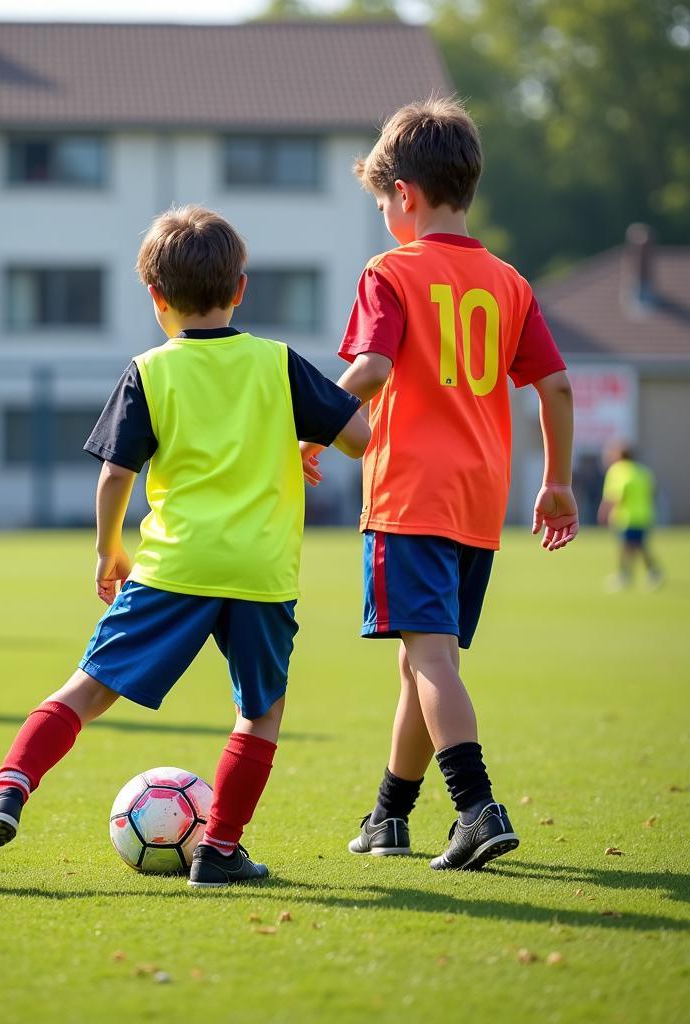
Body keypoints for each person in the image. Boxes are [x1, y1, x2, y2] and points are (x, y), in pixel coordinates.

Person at [0, 205, 370, 887]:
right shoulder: (278, 363)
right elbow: (362, 438)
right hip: (261, 571)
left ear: (156, 298)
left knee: (89, 689)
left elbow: (114, 475)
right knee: (260, 710)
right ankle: (218, 850)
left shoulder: (149, 370)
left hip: (174, 564)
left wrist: (107, 550)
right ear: (241, 288)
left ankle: (6, 792)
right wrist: (312, 438)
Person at [303, 98, 579, 871]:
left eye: (384, 199)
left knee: (429, 658)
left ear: (406, 196)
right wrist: (556, 481)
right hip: (479, 499)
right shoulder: (509, 281)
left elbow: (372, 369)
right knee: (424, 660)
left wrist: (313, 422)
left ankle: (476, 808)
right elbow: (555, 387)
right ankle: (389, 816)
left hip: (409, 495)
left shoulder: (389, 271)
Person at [598, 441, 663, 589]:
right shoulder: (643, 471)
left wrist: (605, 512)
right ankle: (652, 572)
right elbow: (653, 492)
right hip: (644, 515)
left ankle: (625, 575)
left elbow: (617, 495)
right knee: (638, 546)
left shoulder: (617, 470)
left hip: (626, 517)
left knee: (626, 547)